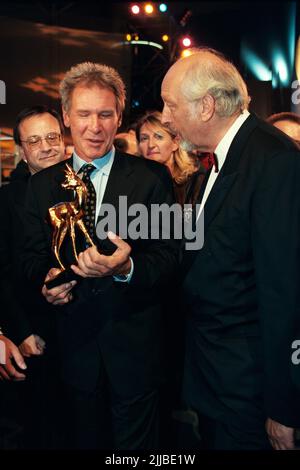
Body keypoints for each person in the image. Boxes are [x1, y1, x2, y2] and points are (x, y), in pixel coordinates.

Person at [20, 62, 178, 449]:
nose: (95, 126)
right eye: (85, 114)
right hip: (72, 355)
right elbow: (28, 259)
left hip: (136, 355)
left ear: (118, 117)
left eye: (105, 114)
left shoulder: (151, 178)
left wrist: (127, 267)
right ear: (66, 117)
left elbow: (172, 257)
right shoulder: (42, 186)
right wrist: (46, 284)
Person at [161, 47, 300, 450]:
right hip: (216, 381)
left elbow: (285, 293)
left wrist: (284, 404)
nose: (166, 118)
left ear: (206, 106)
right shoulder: (219, 161)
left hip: (250, 391)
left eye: (171, 105)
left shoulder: (274, 162)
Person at [0, 105, 66, 448]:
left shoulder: (85, 188)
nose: (46, 147)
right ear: (22, 151)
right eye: (35, 140)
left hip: (84, 339)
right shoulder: (7, 200)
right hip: (33, 339)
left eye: (53, 136)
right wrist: (22, 330)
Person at [136, 111, 201, 206]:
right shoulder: (136, 182)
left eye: (158, 137)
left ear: (175, 143)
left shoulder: (194, 180)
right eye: (144, 138)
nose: (150, 145)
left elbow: (190, 219)